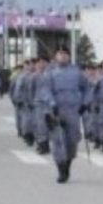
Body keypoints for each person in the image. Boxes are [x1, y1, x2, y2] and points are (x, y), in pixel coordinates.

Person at [40, 46, 90, 184]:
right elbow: (45, 90)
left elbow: (86, 88)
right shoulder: (50, 73)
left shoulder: (76, 72)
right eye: (59, 54)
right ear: (56, 56)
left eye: (65, 54)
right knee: (58, 141)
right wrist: (52, 104)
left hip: (73, 111)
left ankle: (67, 165)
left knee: (71, 141)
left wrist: (85, 104)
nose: (62, 56)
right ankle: (61, 170)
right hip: (56, 111)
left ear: (69, 56)